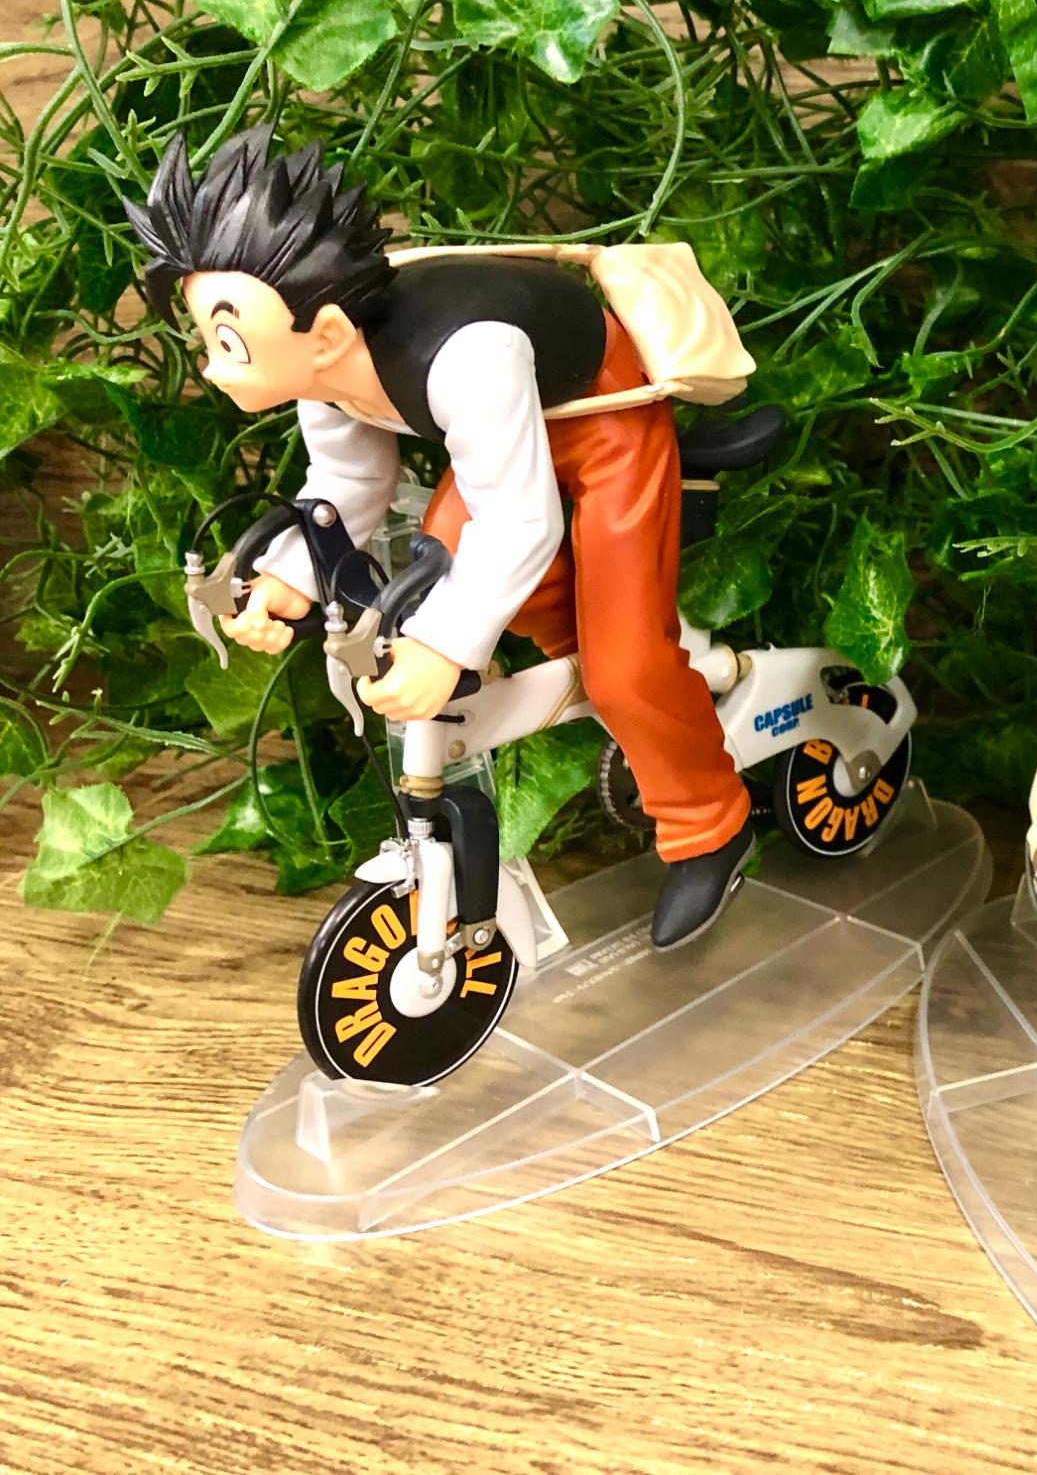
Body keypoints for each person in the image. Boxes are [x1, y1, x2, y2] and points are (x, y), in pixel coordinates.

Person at [127, 127, 753, 949]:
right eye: (208, 339)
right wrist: (290, 577)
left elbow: (521, 520)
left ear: (326, 335)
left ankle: (709, 822)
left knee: (625, 664)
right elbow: (347, 481)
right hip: (501, 436)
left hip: (604, 420)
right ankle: (626, 702)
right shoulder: (322, 366)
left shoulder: (464, 360)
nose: (212, 365)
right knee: (478, 585)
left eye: (229, 342)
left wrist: (444, 646)